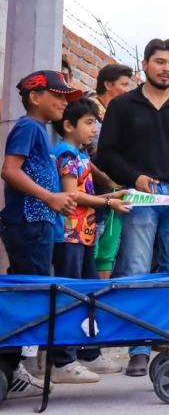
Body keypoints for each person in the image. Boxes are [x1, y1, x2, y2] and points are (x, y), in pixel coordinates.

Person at [95, 38, 169, 377]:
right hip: (139, 196)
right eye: (159, 61)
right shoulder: (123, 105)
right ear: (145, 65)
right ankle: (139, 347)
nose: (166, 68)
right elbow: (107, 153)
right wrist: (134, 178)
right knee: (136, 268)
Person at [0, 71, 80, 399]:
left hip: (38, 226)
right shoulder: (28, 127)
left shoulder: (40, 131)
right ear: (35, 97)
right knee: (28, 296)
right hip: (28, 225)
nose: (64, 102)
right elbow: (9, 170)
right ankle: (8, 366)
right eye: (57, 95)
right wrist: (50, 198)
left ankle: (10, 366)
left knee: (28, 293)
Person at [51, 99, 129, 380]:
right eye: (88, 122)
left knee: (88, 293)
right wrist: (107, 203)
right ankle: (62, 360)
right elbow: (73, 195)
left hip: (83, 235)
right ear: (69, 125)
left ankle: (87, 352)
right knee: (70, 296)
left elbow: (87, 197)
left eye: (95, 122)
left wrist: (111, 196)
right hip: (68, 236)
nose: (94, 129)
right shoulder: (67, 155)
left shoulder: (81, 155)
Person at [91, 63, 134, 280]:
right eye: (124, 85)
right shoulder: (91, 112)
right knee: (96, 251)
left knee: (109, 250)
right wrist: (109, 182)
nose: (128, 90)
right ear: (108, 85)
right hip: (96, 192)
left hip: (116, 190)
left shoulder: (116, 113)